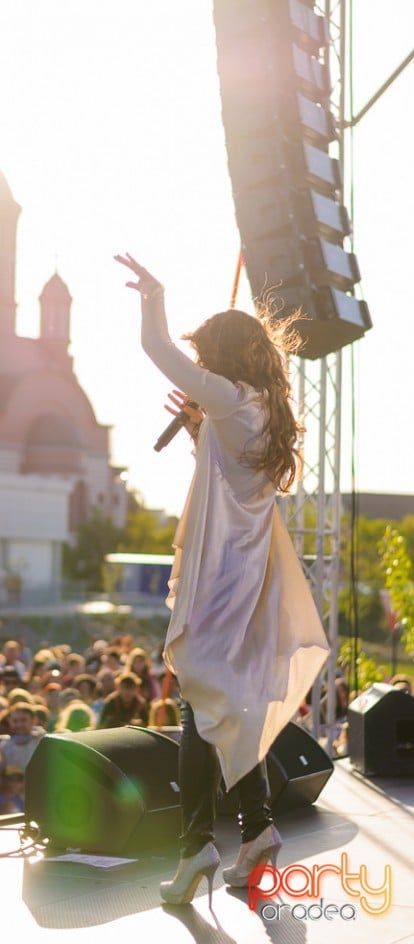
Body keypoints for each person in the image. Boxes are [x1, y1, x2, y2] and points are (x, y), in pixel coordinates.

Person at [115, 253, 329, 906]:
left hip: (219, 578)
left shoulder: (232, 398)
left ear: (224, 357)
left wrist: (155, 295)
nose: (199, 363)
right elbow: (229, 474)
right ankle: (256, 830)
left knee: (200, 706)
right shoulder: (260, 407)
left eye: (207, 354)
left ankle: (195, 848)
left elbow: (154, 345)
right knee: (220, 706)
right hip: (249, 574)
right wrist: (200, 427)